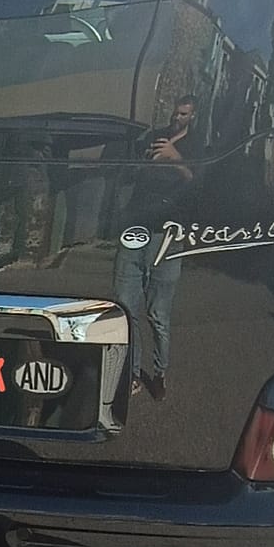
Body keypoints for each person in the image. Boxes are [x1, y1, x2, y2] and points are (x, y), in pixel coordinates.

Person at [114, 95, 200, 401]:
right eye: (175, 113)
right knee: (125, 307)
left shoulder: (196, 145)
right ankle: (133, 373)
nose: (177, 118)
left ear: (193, 116)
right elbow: (132, 172)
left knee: (158, 313)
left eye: (184, 114)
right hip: (135, 228)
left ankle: (160, 373)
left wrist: (175, 157)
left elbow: (197, 183)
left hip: (168, 236)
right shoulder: (155, 136)